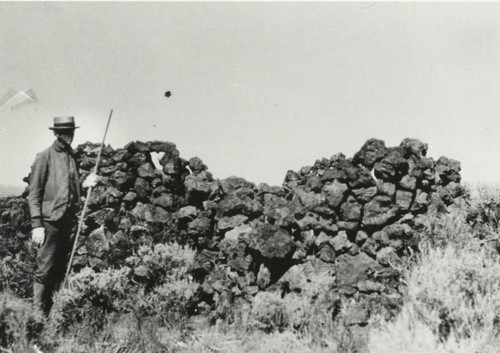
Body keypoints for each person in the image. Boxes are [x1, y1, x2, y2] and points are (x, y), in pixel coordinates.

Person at [27, 116, 98, 315]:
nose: (70, 135)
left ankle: (54, 312)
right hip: (49, 223)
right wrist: (37, 225)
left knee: (59, 269)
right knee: (45, 269)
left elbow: (72, 189)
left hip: (67, 221)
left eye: (72, 131)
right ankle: (37, 315)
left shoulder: (71, 157)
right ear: (56, 133)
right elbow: (34, 194)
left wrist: (86, 183)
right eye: (66, 132)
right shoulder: (45, 157)